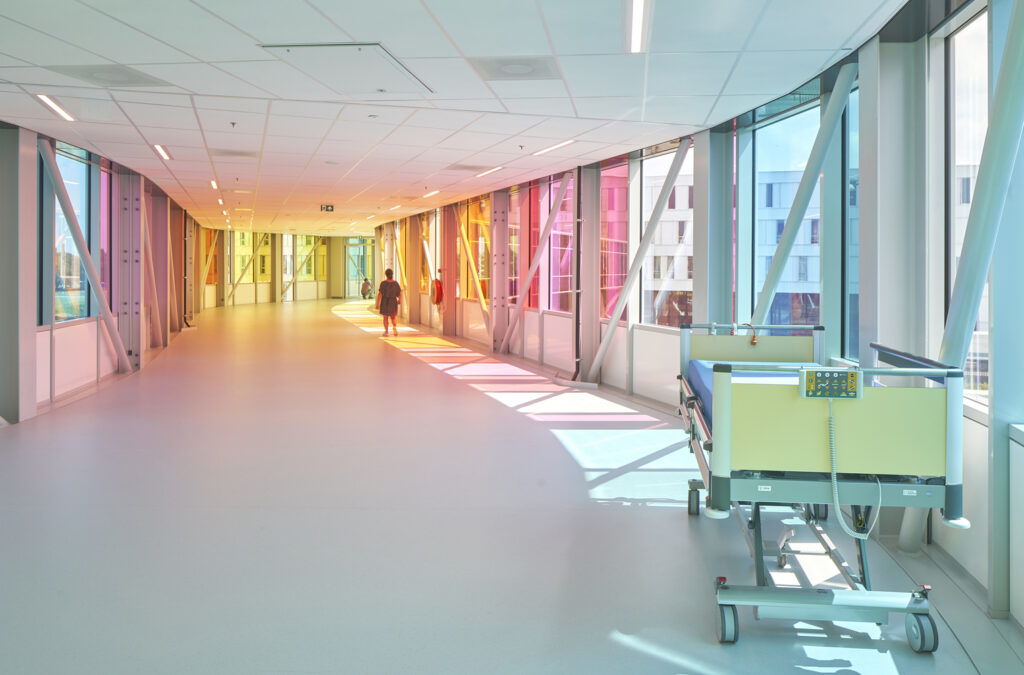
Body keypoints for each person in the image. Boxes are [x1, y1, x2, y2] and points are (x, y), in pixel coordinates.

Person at [375, 268, 401, 337]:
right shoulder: (396, 283)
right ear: (392, 274)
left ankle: (386, 332)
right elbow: (399, 294)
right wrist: (399, 300)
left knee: (385, 318)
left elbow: (380, 294)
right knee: (393, 317)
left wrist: (377, 304)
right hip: (393, 302)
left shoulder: (383, 283)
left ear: (386, 275)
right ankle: (394, 327)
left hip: (385, 302)